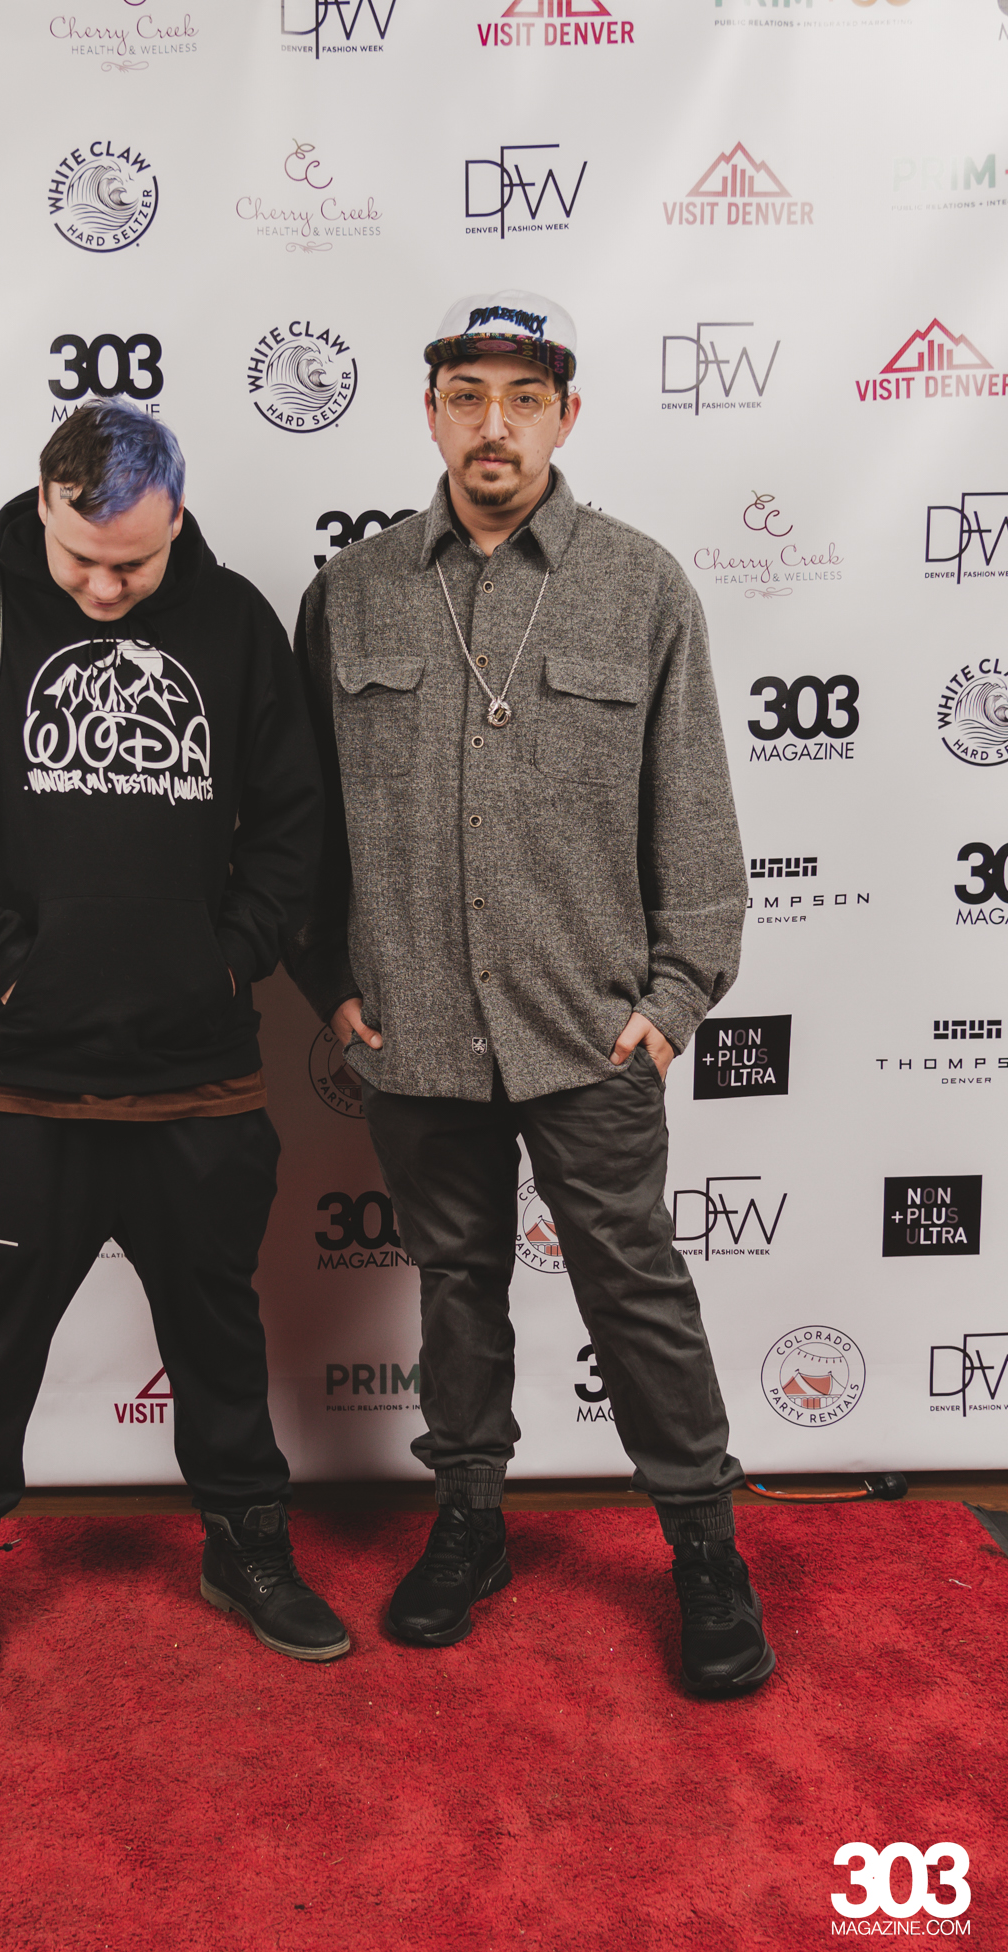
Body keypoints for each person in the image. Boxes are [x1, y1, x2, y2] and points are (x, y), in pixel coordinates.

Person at [289, 292, 772, 1696]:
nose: (492, 426)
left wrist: (670, 1006)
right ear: (430, 410)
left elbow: (697, 823)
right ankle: (470, 1524)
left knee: (635, 1287)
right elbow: (304, 820)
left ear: (566, 415)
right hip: (416, 1026)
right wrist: (330, 981)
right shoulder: (355, 591)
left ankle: (705, 1551)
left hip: (589, 1031)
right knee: (455, 1285)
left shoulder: (641, 585)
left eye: (522, 398)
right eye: (466, 396)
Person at [0, 398, 350, 1703]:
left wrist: (227, 959)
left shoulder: (234, 623)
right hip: (15, 1086)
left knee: (221, 1342)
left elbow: (295, 831)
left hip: (199, 1077)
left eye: (133, 562)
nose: (103, 587)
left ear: (177, 515)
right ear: (44, 502)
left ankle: (247, 1547)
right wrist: (3, 960)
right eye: (81, 558)